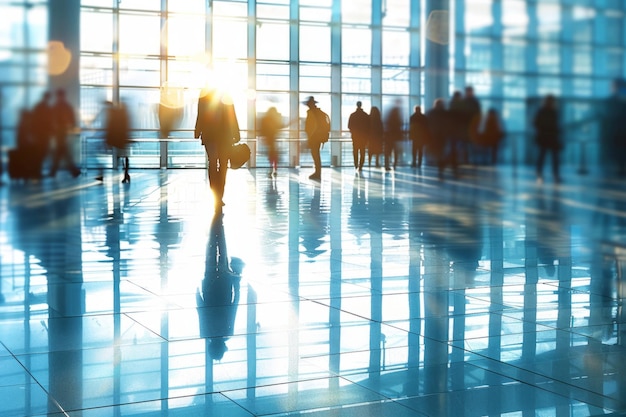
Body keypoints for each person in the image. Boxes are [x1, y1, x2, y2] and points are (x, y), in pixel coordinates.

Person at [196, 212, 244, 361]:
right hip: (209, 289)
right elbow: (201, 311)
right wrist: (198, 294)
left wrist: (236, 286)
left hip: (224, 289)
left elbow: (234, 306)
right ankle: (214, 223)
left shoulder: (228, 332)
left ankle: (219, 223)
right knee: (210, 252)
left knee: (223, 252)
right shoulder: (205, 333)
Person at [195, 87, 241, 210]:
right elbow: (232, 114)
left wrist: (197, 130)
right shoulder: (224, 93)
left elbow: (200, 113)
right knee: (220, 164)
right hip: (221, 136)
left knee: (215, 163)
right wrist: (236, 133)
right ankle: (218, 195)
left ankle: (217, 195)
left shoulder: (207, 94)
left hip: (214, 135)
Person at [49, 88, 81, 178]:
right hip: (63, 132)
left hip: (60, 132)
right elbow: (72, 120)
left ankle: (54, 171)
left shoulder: (57, 106)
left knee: (61, 151)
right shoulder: (66, 106)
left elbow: (52, 120)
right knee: (62, 151)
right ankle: (72, 170)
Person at [533, 94, 562, 184]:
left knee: (550, 157)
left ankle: (553, 175)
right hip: (546, 137)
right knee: (544, 157)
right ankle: (542, 174)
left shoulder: (552, 112)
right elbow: (536, 123)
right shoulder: (547, 112)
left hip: (549, 137)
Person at [103, 100, 131, 183]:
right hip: (124, 140)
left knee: (122, 157)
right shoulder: (125, 116)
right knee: (125, 157)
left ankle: (125, 174)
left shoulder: (118, 115)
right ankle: (126, 174)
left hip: (120, 140)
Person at [303, 96, 329, 181]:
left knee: (315, 155)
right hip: (318, 136)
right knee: (316, 155)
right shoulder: (320, 113)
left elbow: (312, 126)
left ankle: (317, 173)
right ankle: (317, 172)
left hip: (314, 137)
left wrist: (310, 137)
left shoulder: (312, 113)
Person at [426, 98, 450, 179]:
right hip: (442, 136)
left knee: (436, 152)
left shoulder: (430, 113)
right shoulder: (446, 113)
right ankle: (441, 166)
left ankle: (439, 164)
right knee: (441, 151)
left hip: (433, 135)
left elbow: (427, 124)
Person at [30, 91, 53, 175]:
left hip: (39, 134)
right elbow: (48, 122)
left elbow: (34, 121)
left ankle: (36, 171)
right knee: (41, 153)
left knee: (39, 153)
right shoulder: (46, 108)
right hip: (43, 135)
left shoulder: (39, 107)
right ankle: (37, 171)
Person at [259, 106, 283, 177]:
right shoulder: (273, 119)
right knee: (273, 154)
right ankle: (274, 169)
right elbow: (278, 126)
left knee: (271, 154)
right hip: (272, 138)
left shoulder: (265, 119)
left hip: (269, 139)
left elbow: (263, 129)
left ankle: (272, 168)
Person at [347, 101, 370, 172]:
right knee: (362, 151)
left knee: (355, 151)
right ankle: (361, 165)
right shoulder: (366, 115)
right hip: (363, 137)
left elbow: (349, 126)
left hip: (355, 137)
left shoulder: (352, 115)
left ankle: (356, 164)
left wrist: (353, 132)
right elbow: (369, 127)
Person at [384, 100, 404, 170]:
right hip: (396, 136)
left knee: (388, 151)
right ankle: (394, 165)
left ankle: (387, 165)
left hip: (389, 136)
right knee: (396, 151)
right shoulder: (397, 114)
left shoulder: (390, 114)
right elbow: (400, 124)